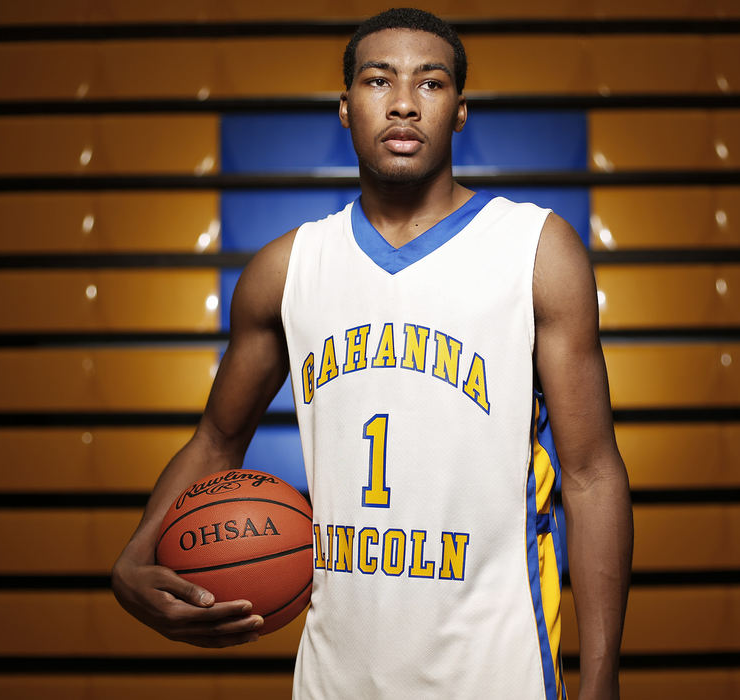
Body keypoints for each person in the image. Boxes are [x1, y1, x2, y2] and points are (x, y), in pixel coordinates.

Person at [112, 8, 632, 699]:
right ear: (346, 107)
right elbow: (216, 438)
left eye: (432, 83)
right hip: (334, 680)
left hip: (497, 674)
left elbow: (591, 473)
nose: (404, 102)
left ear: (461, 111)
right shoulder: (286, 269)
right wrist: (134, 554)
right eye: (378, 80)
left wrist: (600, 680)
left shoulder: (535, 250)